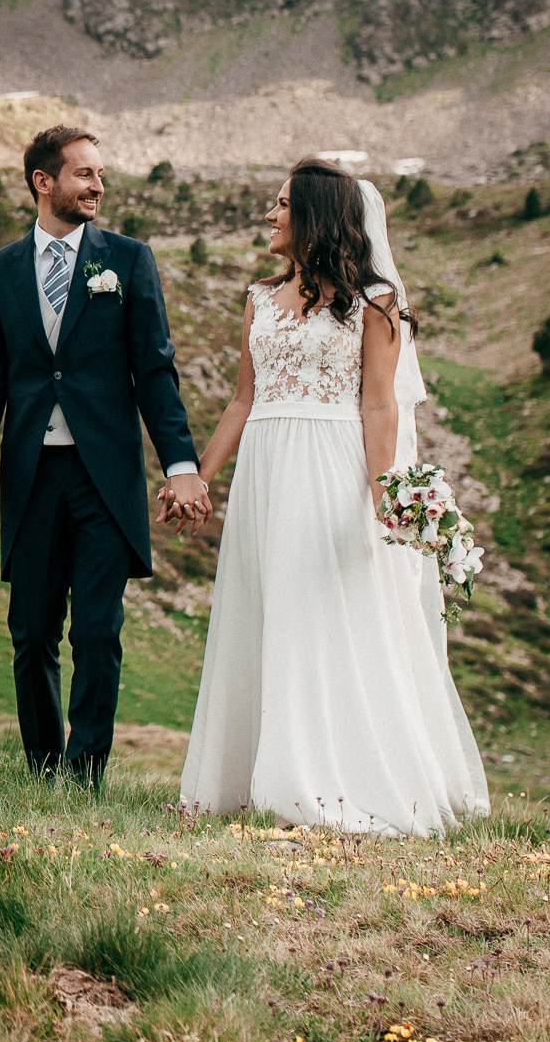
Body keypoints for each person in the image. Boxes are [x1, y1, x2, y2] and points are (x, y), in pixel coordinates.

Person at [177, 158, 489, 835]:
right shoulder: (259, 299)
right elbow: (242, 398)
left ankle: (320, 780)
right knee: (264, 609)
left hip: (330, 469)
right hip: (265, 469)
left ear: (314, 215)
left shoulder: (376, 304)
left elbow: (381, 408)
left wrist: (384, 493)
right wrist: (198, 476)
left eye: (282, 204)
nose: (269, 214)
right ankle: (249, 775)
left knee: (316, 614)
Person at [0, 126, 208, 786]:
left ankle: (85, 772)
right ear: (44, 181)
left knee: (97, 631)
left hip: (104, 478)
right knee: (32, 634)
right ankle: (43, 771)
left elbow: (155, 372)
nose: (97, 186)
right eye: (84, 174)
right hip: (34, 475)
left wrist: (180, 464)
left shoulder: (129, 260)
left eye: (100, 175)